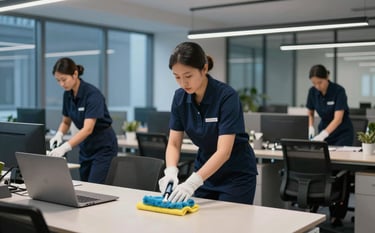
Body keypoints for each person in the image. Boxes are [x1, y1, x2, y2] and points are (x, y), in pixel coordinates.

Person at [158, 42, 258, 205]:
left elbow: (224, 151)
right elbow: (174, 143)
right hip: (205, 173)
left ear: (204, 69)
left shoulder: (226, 96)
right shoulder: (179, 98)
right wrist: (170, 171)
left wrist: (191, 183)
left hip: (235, 176)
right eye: (177, 77)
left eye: (188, 76)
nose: (183, 83)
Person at [49, 57, 118, 184]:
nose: (61, 84)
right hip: (86, 147)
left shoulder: (92, 95)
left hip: (103, 146)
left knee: (95, 187)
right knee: (85, 186)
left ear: (75, 74)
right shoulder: (67, 94)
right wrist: (59, 134)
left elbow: (88, 129)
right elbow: (66, 122)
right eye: (58, 81)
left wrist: (65, 147)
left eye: (64, 80)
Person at [306, 64, 353, 226]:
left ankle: (337, 214)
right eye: (314, 83)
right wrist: (311, 126)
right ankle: (315, 206)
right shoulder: (313, 92)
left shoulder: (338, 91)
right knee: (321, 169)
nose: (317, 86)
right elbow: (310, 112)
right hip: (323, 134)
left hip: (342, 136)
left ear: (327, 77)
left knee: (340, 172)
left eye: (320, 82)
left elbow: (338, 118)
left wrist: (324, 135)